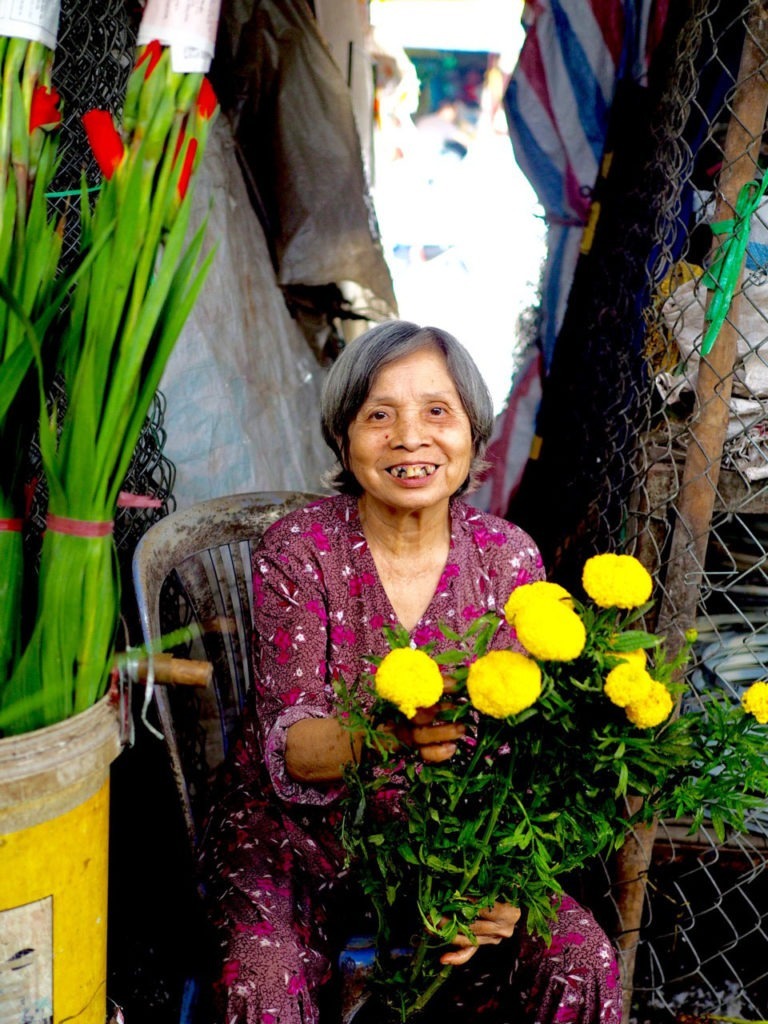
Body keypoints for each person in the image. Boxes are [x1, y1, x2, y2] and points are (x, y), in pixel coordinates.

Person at [200, 321, 622, 1024]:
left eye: (437, 411)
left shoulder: (509, 560)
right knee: (263, 978)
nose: (409, 437)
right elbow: (296, 746)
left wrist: (498, 883)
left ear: (472, 433)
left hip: (450, 845)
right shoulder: (298, 550)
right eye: (378, 415)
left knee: (580, 959)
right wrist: (395, 735)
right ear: (344, 437)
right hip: (300, 842)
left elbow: (524, 759)